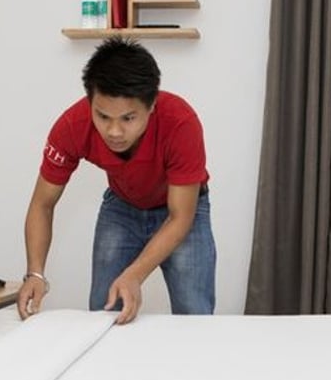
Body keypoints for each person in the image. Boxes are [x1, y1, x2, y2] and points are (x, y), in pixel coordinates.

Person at [17, 36, 216, 325]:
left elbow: (180, 217)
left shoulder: (181, 123)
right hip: (122, 206)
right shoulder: (72, 126)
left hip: (183, 210)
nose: (114, 131)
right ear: (90, 103)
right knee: (104, 309)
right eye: (102, 116)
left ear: (152, 105)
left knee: (194, 311)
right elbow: (42, 204)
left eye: (128, 118)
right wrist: (35, 273)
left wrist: (135, 274)